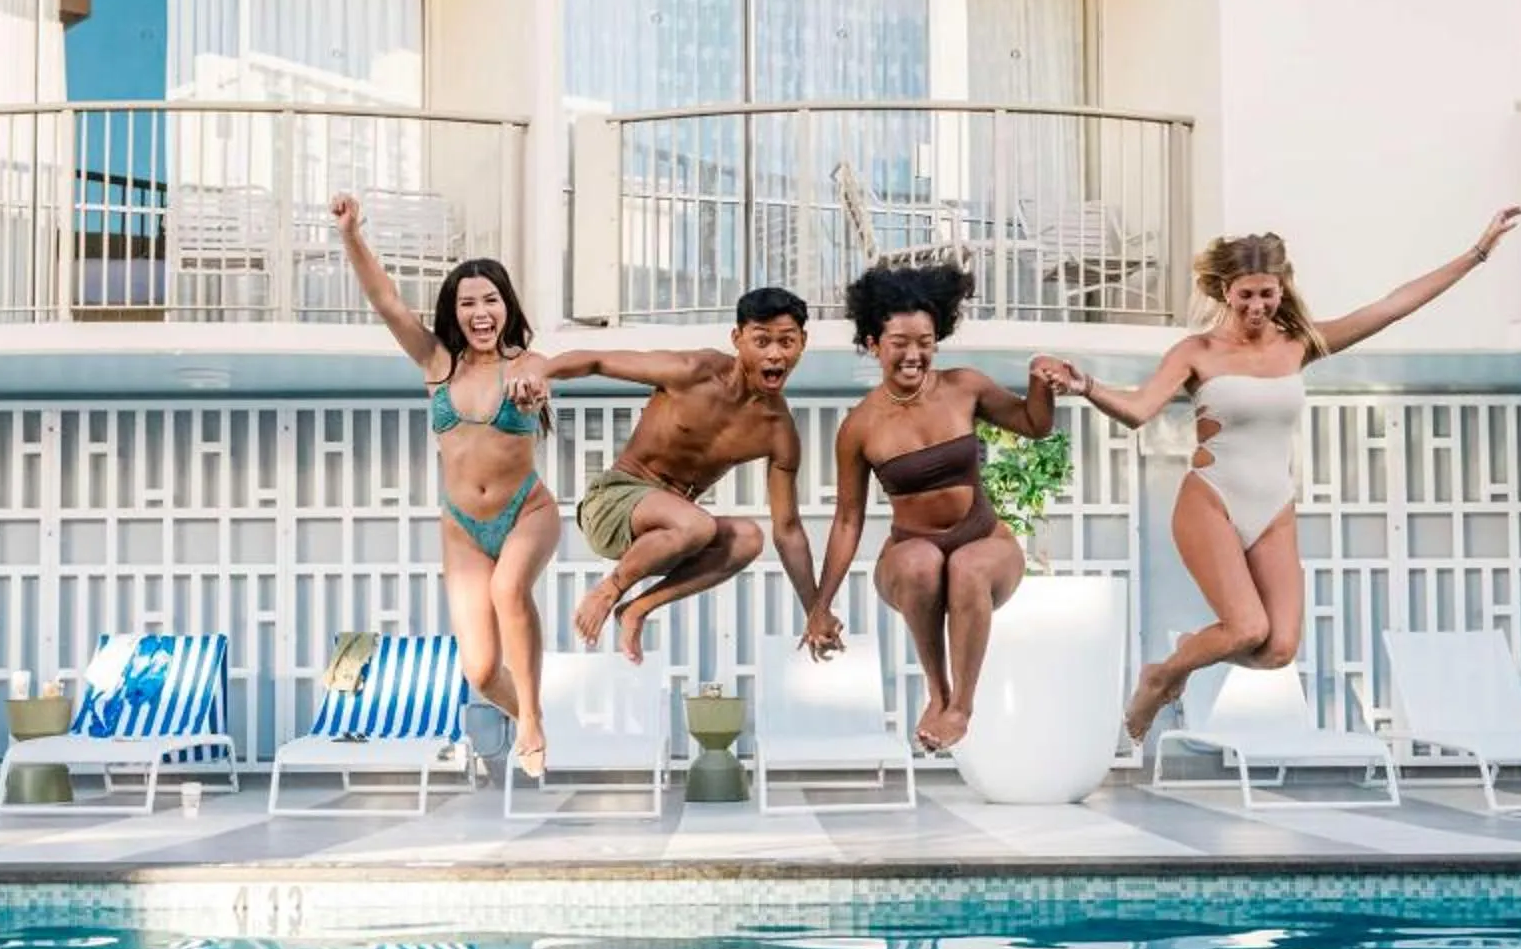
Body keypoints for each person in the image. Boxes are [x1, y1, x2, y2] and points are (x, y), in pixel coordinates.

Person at [1051, 208, 1521, 746]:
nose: (1257, 306)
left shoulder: (1299, 344)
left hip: (1274, 506)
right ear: (1225, 290)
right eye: (1246, 294)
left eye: (1267, 294)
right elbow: (1140, 410)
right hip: (1212, 499)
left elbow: (1391, 306)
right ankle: (1160, 676)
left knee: (1278, 650)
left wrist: (1477, 254)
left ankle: (1181, 656)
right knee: (1247, 628)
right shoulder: (1197, 352)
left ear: (1282, 289)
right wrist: (1087, 385)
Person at [332, 192, 557, 779]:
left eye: (490, 301)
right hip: (462, 526)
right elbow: (385, 302)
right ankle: (527, 711)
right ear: (453, 312)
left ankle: (530, 720)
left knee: (511, 591)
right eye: (467, 304)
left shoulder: (527, 363)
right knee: (480, 672)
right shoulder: (438, 365)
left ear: (506, 306)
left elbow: (539, 379)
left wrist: (534, 387)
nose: (479, 313)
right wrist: (352, 234)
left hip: (525, 511)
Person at [804, 262, 1071, 753]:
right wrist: (820, 606)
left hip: (985, 542)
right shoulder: (860, 427)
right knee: (923, 563)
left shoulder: (964, 386)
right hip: (910, 551)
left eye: (925, 341)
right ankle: (938, 691)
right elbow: (847, 521)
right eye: (899, 342)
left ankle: (962, 705)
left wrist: (1040, 380)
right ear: (872, 344)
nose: (914, 354)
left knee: (967, 566)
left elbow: (1034, 424)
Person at [523, 288, 829, 663]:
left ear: (802, 344)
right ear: (738, 339)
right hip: (613, 503)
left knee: (748, 538)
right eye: (762, 341)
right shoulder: (692, 372)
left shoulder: (778, 432)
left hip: (669, 535)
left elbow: (789, 530)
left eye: (787, 342)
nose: (774, 354)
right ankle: (609, 590)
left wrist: (815, 609)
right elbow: (598, 361)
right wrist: (541, 370)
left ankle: (636, 609)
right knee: (697, 525)